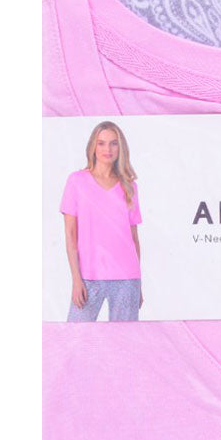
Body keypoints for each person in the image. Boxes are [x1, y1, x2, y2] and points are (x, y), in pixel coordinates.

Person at [60, 121, 143, 322]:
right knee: (76, 335)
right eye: (102, 143)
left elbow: (134, 238)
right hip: (89, 276)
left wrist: (138, 284)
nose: (108, 149)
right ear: (93, 147)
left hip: (126, 277)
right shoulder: (77, 181)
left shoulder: (129, 186)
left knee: (124, 338)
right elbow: (71, 235)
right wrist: (76, 280)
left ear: (120, 148)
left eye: (114, 143)